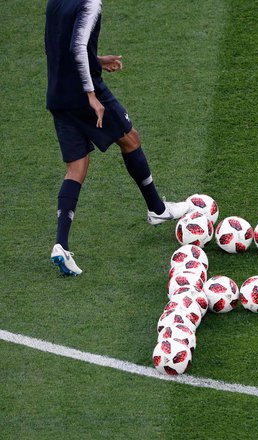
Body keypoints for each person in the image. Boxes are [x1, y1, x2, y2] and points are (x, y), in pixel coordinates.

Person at [45, 0, 189, 276]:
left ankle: (60, 246)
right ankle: (157, 209)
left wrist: (97, 60)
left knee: (76, 168)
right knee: (130, 139)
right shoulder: (90, 4)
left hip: (57, 94)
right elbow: (76, 48)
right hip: (83, 94)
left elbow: (56, 46)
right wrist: (90, 95)